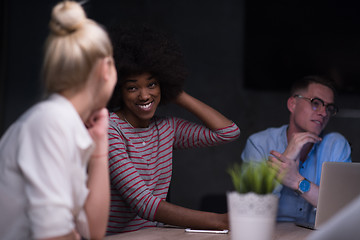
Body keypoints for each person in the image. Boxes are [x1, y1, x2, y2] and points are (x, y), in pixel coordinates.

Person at [106, 25, 241, 234]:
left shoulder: (167, 128)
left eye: (151, 84)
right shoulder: (110, 129)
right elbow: (143, 203)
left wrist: (175, 92)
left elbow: (228, 132)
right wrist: (220, 221)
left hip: (155, 235)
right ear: (117, 90)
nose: (144, 95)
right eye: (132, 87)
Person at [0, 1, 117, 239]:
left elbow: (94, 231)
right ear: (106, 68)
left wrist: (100, 146)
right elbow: (53, 234)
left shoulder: (63, 122)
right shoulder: (51, 122)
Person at [241, 75, 352, 224]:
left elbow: (344, 210)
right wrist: (287, 155)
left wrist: (297, 181)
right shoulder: (259, 143)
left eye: (329, 108)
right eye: (316, 103)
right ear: (293, 104)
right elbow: (249, 208)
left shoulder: (336, 144)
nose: (324, 113)